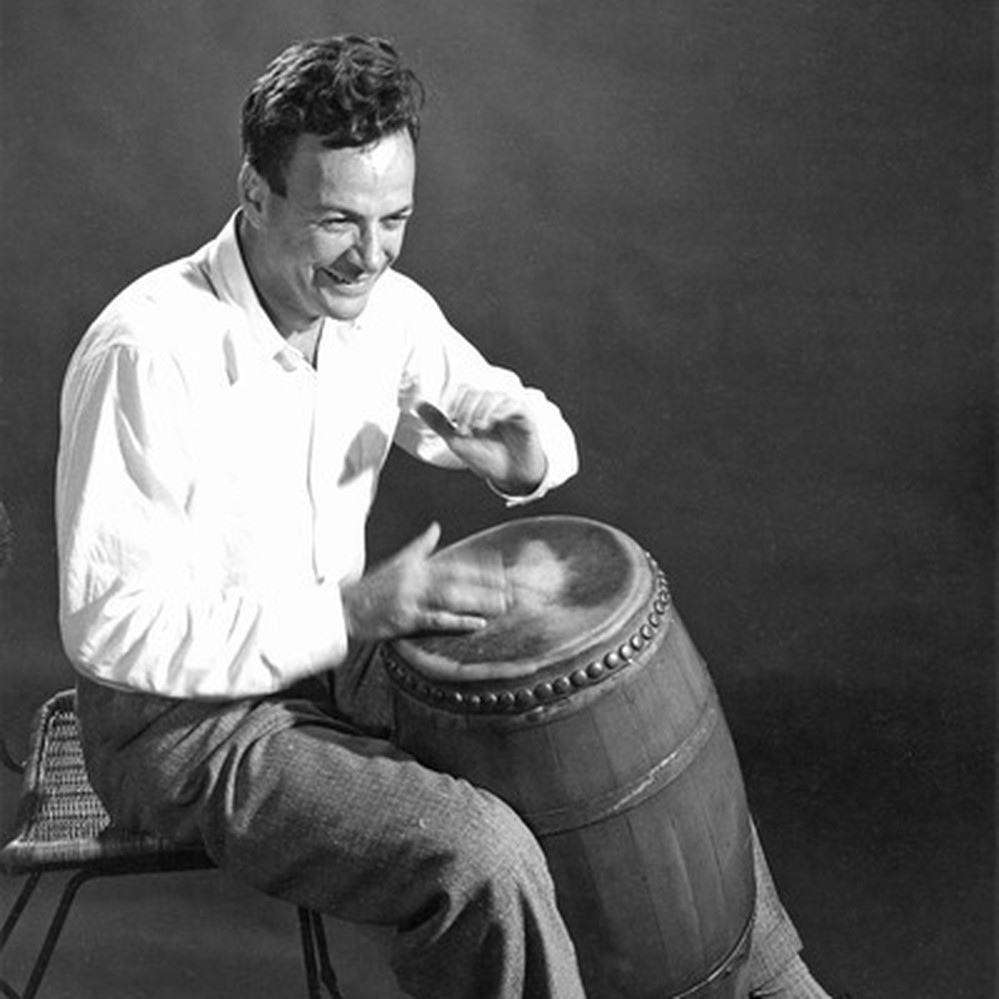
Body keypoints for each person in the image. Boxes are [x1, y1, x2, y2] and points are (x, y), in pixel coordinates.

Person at [56, 35, 832, 998]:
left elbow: (503, 406)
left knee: (622, 713)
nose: (371, 254)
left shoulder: (380, 306)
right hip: (178, 727)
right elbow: (110, 630)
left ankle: (765, 986)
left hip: (340, 651)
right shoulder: (145, 348)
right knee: (480, 853)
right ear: (255, 193)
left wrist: (525, 453)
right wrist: (351, 612)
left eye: (396, 219)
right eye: (340, 219)